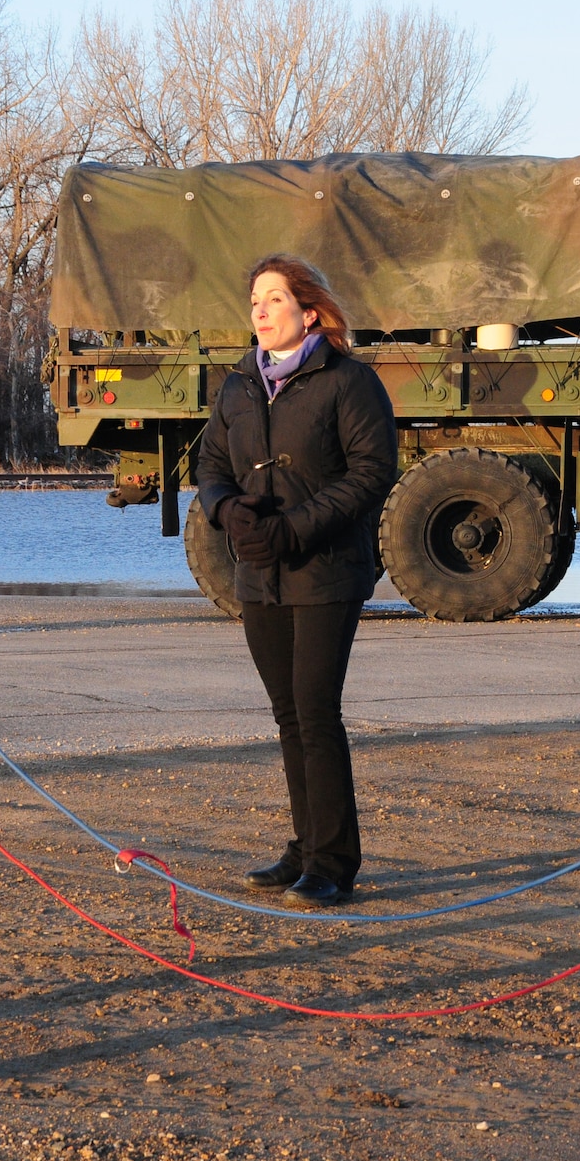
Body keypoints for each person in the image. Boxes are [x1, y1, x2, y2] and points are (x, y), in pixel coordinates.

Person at [197, 254, 397, 908]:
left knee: (315, 712)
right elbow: (211, 464)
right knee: (287, 715)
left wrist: (294, 528)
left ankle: (334, 863)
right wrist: (229, 512)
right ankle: (306, 845)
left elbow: (371, 472)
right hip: (259, 575)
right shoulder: (237, 387)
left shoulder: (347, 382)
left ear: (309, 311)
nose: (259, 309)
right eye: (254, 298)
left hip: (326, 570)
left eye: (274, 298)